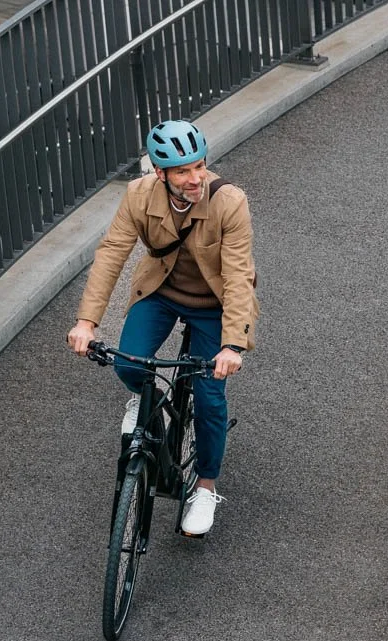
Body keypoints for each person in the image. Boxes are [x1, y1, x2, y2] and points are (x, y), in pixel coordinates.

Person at [67, 119, 258, 537]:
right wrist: (87, 322)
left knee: (209, 397)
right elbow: (112, 253)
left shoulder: (229, 202)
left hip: (213, 304)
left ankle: (206, 487)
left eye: (199, 166)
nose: (195, 178)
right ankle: (150, 394)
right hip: (162, 289)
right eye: (183, 172)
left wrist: (232, 345)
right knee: (129, 363)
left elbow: (240, 275)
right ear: (160, 173)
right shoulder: (138, 196)